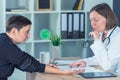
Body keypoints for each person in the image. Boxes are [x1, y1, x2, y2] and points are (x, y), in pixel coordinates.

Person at [0, 15, 84, 80]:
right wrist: (64, 72)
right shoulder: (7, 46)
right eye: (27, 32)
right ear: (14, 31)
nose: (29, 36)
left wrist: (45, 65)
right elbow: (31, 64)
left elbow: (22, 61)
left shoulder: (3, 40)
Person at [70, 3, 120, 74]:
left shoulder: (118, 37)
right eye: (91, 20)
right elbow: (101, 58)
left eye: (96, 20)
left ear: (108, 19)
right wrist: (85, 62)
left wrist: (97, 41)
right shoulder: (104, 34)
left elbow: (108, 66)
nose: (92, 24)